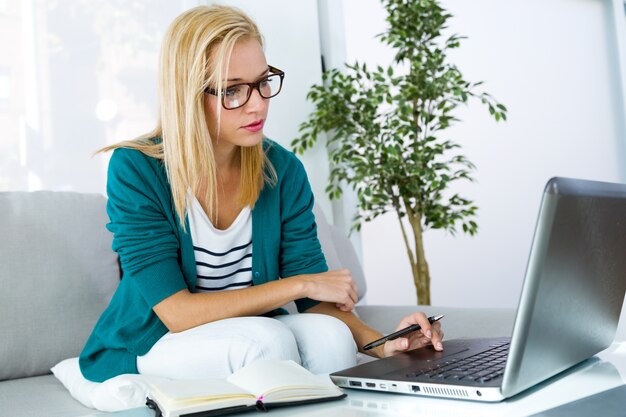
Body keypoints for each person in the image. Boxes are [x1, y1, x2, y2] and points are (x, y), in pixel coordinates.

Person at [79, 4, 443, 383]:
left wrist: (385, 345)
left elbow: (316, 300)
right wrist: (299, 283)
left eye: (263, 81)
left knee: (332, 338)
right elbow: (178, 313)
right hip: (157, 340)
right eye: (233, 90)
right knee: (267, 341)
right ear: (187, 95)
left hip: (246, 332)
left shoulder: (282, 170)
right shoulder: (136, 169)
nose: (258, 103)